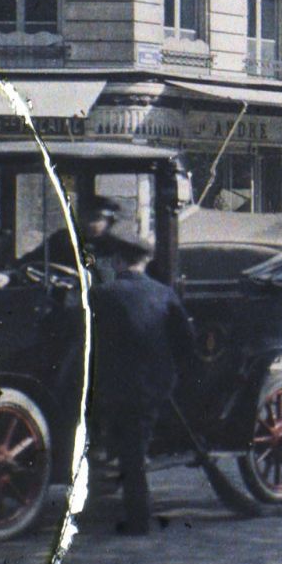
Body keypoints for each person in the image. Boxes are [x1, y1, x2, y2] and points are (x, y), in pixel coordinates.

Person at [90, 229, 194, 535]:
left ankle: (138, 521)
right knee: (132, 447)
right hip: (156, 385)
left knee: (131, 451)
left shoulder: (102, 295)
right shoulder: (165, 293)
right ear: (145, 261)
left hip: (115, 387)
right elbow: (186, 342)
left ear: (118, 261)